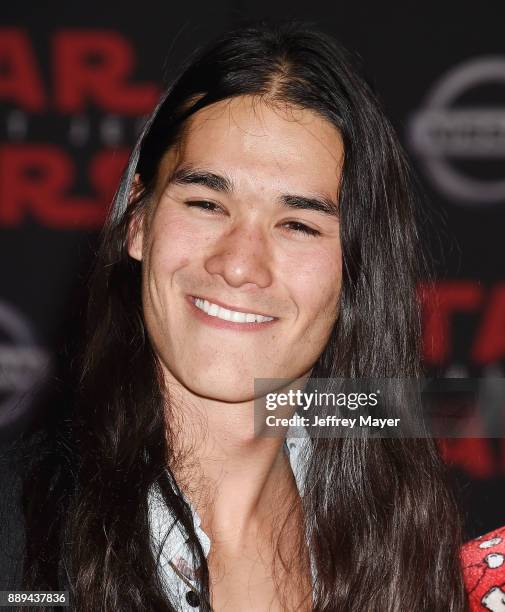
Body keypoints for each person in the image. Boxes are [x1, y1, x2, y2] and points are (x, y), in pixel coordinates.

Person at [0, 20, 468, 611]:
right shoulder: (15, 542)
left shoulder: (406, 548)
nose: (240, 264)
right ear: (138, 221)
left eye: (298, 224)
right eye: (206, 203)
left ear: (358, 267)